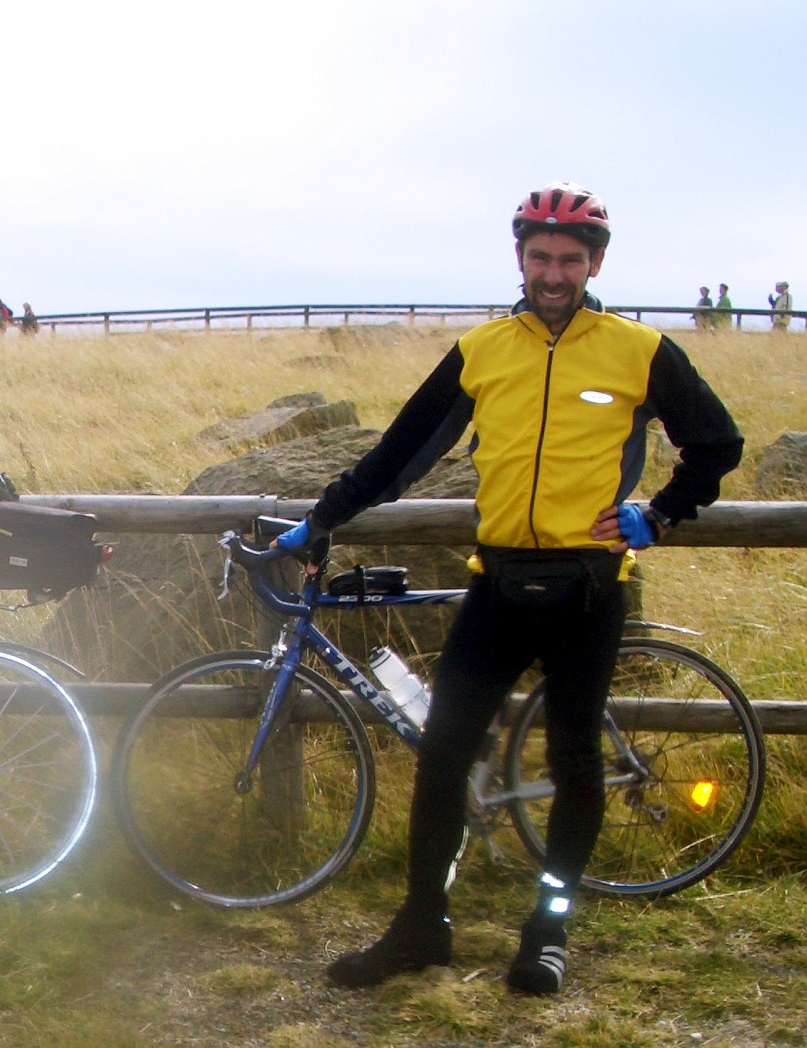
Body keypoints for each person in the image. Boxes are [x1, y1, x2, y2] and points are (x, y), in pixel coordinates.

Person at [276, 182, 742, 995]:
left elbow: (717, 442)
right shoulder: (484, 349)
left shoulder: (638, 350)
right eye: (540, 257)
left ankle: (548, 931)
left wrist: (660, 516)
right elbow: (403, 450)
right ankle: (423, 926)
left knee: (576, 763)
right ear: (520, 258)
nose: (553, 273)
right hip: (496, 583)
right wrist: (324, 517)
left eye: (570, 259)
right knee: (442, 759)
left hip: (589, 587)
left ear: (594, 263)